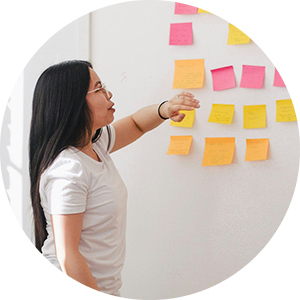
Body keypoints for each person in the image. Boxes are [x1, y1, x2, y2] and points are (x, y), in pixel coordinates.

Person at [29, 60, 200, 300]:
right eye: (98, 89)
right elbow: (67, 255)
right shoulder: (68, 170)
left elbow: (136, 124)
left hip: (99, 289)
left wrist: (165, 109)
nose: (108, 94)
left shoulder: (95, 145)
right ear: (74, 102)